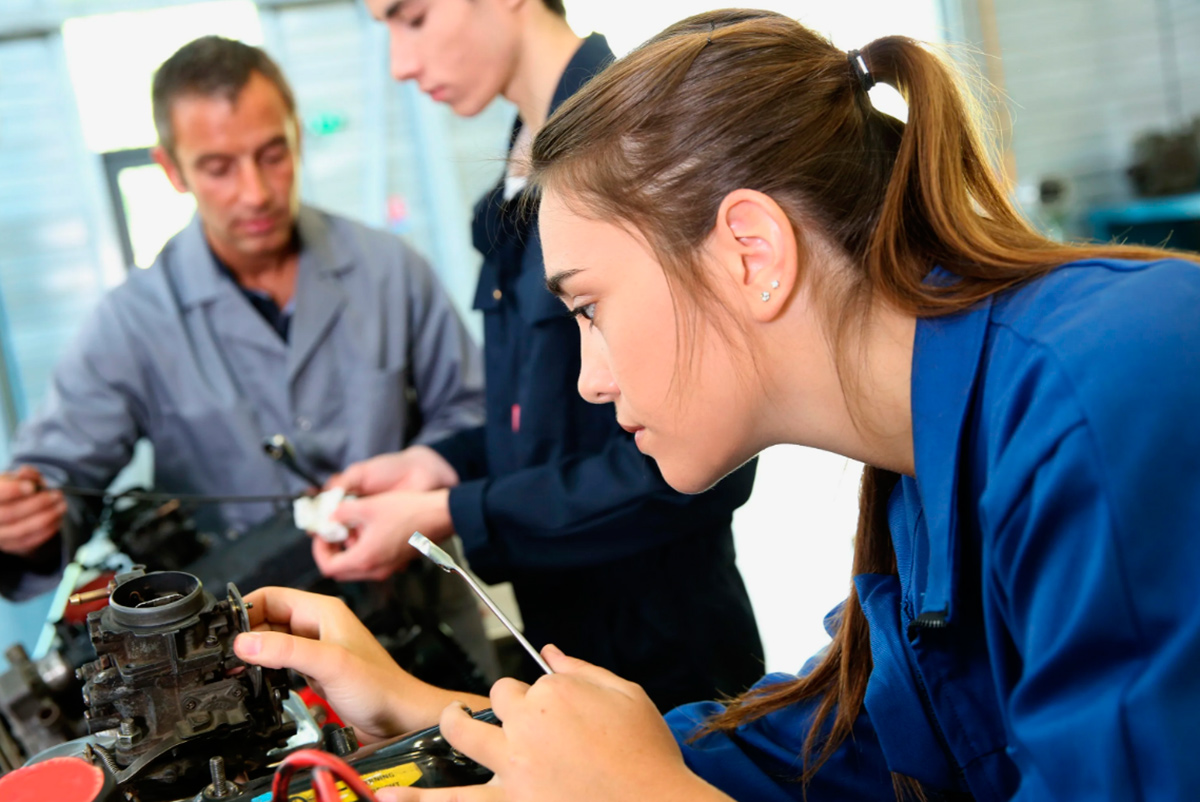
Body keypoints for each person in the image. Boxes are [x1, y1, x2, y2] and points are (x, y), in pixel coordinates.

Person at [230, 8, 1200, 801]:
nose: (588, 378)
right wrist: (429, 717)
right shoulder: (926, 478)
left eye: (590, 308)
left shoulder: (1109, 398)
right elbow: (841, 741)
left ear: (751, 251)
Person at [312, 0, 763, 709]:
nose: (400, 61)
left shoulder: (636, 146)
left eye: (414, 17)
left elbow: (694, 468)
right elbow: (539, 414)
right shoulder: (519, 179)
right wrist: (439, 466)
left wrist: (452, 512)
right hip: (566, 650)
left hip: (671, 665)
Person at [0, 37, 495, 681]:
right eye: (218, 167)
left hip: (427, 631)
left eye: (272, 155)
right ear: (171, 169)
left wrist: (411, 498)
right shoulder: (133, 321)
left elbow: (474, 414)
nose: (256, 192)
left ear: (297, 138)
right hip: (251, 668)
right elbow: (57, 479)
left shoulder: (388, 271)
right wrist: (24, 520)